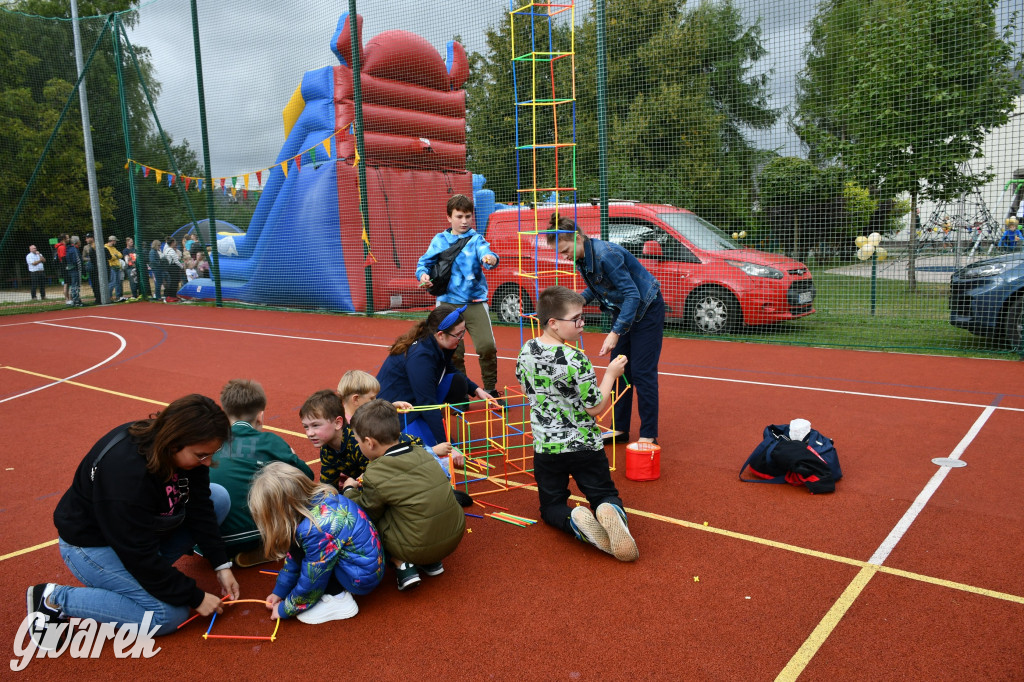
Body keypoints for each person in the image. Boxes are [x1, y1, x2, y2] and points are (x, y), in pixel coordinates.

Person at [26, 395, 239, 648]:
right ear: (174, 443)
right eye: (202, 455)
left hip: (139, 533)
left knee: (218, 498)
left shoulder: (183, 447)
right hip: (93, 545)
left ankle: (144, 580)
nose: (208, 462)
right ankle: (54, 599)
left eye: (211, 454)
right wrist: (194, 596)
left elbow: (200, 505)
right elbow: (136, 553)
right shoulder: (126, 475)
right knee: (167, 615)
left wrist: (221, 564)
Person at [517, 286, 639, 561]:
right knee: (603, 493)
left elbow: (526, 388)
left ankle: (573, 519)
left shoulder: (527, 350)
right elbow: (594, 407)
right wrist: (611, 374)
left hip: (547, 447)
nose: (582, 323)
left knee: (551, 506)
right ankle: (608, 509)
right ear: (553, 323)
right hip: (583, 444)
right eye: (576, 319)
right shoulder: (576, 359)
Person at [547, 215, 664, 446]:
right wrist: (577, 302)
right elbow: (597, 288)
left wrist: (615, 332)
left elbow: (633, 294)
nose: (564, 256)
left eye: (565, 250)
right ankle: (619, 428)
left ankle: (648, 434)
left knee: (642, 372)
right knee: (619, 369)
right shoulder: (582, 258)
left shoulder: (605, 254)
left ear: (577, 238)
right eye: (560, 253)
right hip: (624, 311)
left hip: (646, 309)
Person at [341, 400, 465, 591]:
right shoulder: (422, 452)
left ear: (369, 443)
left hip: (415, 546)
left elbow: (366, 512)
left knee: (373, 518)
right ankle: (431, 562)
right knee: (413, 503)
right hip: (454, 534)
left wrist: (349, 490)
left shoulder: (376, 472)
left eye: (358, 442)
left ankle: (401, 563)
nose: (358, 446)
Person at [251, 462, 383, 624]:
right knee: (304, 550)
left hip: (360, 578)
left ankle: (338, 599)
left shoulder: (315, 529)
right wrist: (280, 591)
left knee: (313, 563)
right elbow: (295, 556)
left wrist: (286, 608)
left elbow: (313, 576)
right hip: (367, 565)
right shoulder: (321, 499)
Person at [210, 379, 314, 568]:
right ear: (260, 416)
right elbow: (307, 477)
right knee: (288, 482)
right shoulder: (270, 441)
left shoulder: (209, 442)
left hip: (209, 539)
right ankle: (276, 544)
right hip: (254, 536)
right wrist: (292, 455)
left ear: (225, 414)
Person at [376, 304, 499, 455]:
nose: (461, 338)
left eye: (463, 332)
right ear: (441, 334)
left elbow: (449, 368)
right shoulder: (421, 357)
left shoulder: (437, 342)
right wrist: (448, 447)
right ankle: (421, 427)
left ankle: (432, 424)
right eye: (458, 334)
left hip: (415, 400)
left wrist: (476, 390)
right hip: (394, 414)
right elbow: (427, 404)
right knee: (421, 451)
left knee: (457, 383)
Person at [416, 194, 501, 397]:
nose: (464, 221)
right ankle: (460, 392)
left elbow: (487, 254)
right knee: (453, 352)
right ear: (449, 217)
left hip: (475, 302)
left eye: (468, 216)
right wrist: (423, 275)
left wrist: (490, 258)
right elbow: (423, 264)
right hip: (447, 304)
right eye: (459, 216)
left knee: (487, 346)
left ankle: (490, 388)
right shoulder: (439, 240)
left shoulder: (476, 240)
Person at [104, 235, 125, 302]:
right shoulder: (105, 248)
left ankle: (118, 296)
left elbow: (120, 255)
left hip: (117, 266)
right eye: (115, 241)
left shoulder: (114, 248)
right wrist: (116, 256)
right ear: (112, 241)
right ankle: (109, 296)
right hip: (111, 267)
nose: (116, 242)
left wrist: (115, 256)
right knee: (112, 282)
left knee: (118, 282)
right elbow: (110, 257)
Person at [82, 234, 102, 303]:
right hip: (92, 268)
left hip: (99, 267)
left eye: (87, 238)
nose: (86, 240)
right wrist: (89, 259)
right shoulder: (85, 247)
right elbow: (83, 257)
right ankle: (97, 298)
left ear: (92, 238)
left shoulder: (98, 245)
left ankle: (103, 297)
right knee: (94, 284)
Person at [65, 236, 83, 306]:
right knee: (76, 285)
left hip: (70, 269)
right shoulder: (75, 250)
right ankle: (76, 300)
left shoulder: (68, 249)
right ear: (77, 242)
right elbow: (77, 261)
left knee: (73, 285)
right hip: (75, 269)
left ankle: (75, 299)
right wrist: (81, 269)